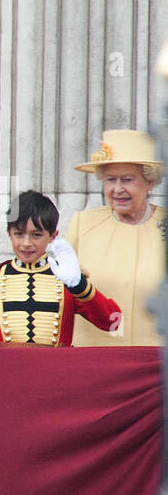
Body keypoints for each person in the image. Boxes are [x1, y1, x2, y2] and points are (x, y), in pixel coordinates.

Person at [0, 191, 120, 347]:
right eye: (19, 234)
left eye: (36, 235)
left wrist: (79, 286)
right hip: (7, 368)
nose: (26, 243)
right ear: (9, 233)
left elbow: (112, 322)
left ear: (53, 236)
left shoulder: (67, 278)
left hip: (55, 368)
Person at [65, 129, 164, 346]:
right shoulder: (83, 224)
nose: (117, 189)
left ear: (150, 182)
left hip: (154, 358)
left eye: (127, 180)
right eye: (111, 180)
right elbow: (60, 294)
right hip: (94, 357)